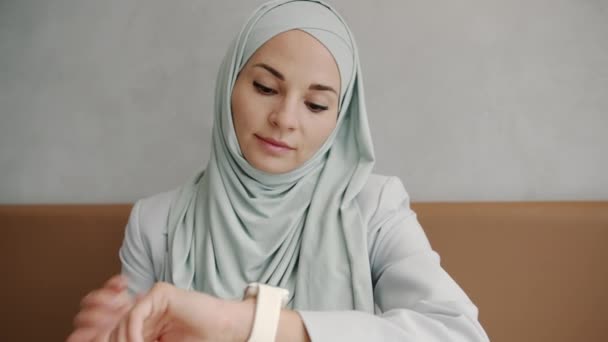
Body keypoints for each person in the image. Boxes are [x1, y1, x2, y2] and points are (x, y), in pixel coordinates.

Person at [67, 0, 490, 341]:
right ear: (228, 84)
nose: (285, 119)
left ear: (341, 118)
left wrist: (249, 324)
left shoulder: (373, 209)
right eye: (266, 88)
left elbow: (458, 333)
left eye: (316, 104)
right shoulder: (155, 223)